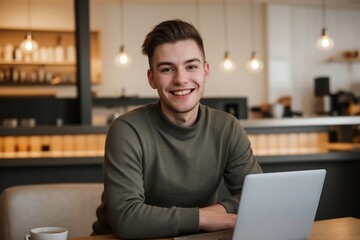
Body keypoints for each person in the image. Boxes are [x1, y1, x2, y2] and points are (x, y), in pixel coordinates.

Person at [92, 19, 262, 239]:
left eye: (191, 66)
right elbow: (127, 219)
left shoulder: (227, 127)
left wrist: (208, 215)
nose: (181, 79)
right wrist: (205, 219)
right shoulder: (126, 130)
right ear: (152, 78)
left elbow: (256, 198)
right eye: (167, 69)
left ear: (206, 71)